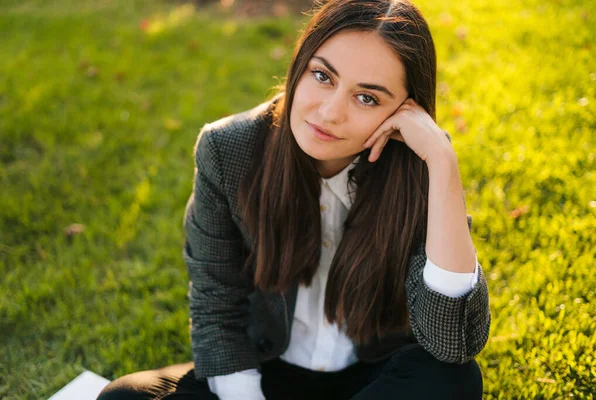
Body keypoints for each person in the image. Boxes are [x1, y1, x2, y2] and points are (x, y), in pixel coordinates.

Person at [97, 0, 491, 399]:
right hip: (269, 370)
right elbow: (217, 305)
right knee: (125, 397)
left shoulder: (421, 165)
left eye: (367, 98)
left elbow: (451, 343)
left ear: (407, 109)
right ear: (300, 64)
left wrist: (442, 162)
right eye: (322, 75)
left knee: (454, 379)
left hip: (373, 377)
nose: (330, 112)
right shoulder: (228, 150)